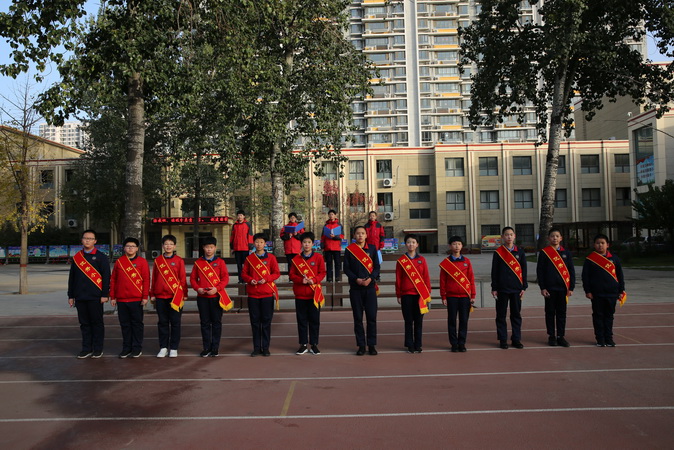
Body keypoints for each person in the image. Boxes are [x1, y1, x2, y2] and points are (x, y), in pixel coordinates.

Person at [68, 229, 111, 359]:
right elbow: (72, 278)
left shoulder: (101, 257)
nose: (87, 240)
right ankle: (86, 348)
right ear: (81, 240)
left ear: (95, 241)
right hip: (80, 297)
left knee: (97, 323)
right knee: (84, 324)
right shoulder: (77, 258)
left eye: (90, 238)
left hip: (96, 297)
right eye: (85, 238)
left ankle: (98, 349)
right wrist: (71, 295)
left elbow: (106, 277)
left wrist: (105, 294)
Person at [190, 236, 232, 357]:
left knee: (216, 322)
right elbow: (193, 278)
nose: (209, 249)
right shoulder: (198, 263)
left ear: (215, 248)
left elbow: (225, 278)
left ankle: (215, 347)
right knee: (204, 323)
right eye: (207, 247)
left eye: (211, 247)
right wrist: (198, 288)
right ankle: (206, 347)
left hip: (216, 296)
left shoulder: (220, 262)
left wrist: (216, 289)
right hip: (202, 297)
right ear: (203, 248)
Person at [582, 234, 626, 347]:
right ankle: (600, 338)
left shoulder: (614, 259)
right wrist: (588, 291)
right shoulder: (590, 259)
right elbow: (585, 277)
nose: (600, 245)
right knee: (598, 316)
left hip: (612, 293)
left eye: (602, 243)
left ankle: (609, 338)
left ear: (607, 245)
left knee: (609, 316)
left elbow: (620, 276)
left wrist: (621, 291)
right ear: (594, 245)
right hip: (597, 293)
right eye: (598, 243)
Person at [110, 237, 150, 358]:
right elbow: (113, 280)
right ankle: (126, 347)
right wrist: (113, 296)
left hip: (136, 299)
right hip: (121, 300)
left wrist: (145, 296)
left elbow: (146, 280)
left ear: (137, 248)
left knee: (137, 324)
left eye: (133, 246)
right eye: (128, 246)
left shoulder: (142, 262)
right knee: (125, 325)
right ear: (124, 248)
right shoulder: (119, 262)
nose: (130, 248)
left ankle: (137, 347)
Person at [343, 225, 380, 355]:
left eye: (362, 233)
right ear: (354, 236)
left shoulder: (372, 249)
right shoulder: (349, 250)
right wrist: (355, 279)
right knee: (358, 318)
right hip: (355, 288)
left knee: (371, 317)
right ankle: (361, 345)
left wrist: (371, 278)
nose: (360, 235)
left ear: (366, 235)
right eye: (358, 233)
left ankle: (372, 345)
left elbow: (376, 267)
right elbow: (346, 269)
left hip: (370, 288)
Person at [536, 228, 575, 347]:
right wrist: (542, 287)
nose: (555, 238)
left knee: (562, 313)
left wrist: (571, 287)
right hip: (549, 289)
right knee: (550, 312)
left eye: (557, 236)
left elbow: (571, 271)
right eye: (552, 236)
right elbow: (540, 271)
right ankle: (551, 336)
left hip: (563, 289)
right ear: (548, 238)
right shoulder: (544, 252)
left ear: (561, 238)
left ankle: (561, 336)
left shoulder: (566, 253)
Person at [242, 233, 280, 357]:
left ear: (265, 244)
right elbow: (244, 274)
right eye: (257, 242)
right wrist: (250, 280)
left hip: (267, 294)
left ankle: (266, 347)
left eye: (261, 242)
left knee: (266, 321)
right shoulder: (249, 259)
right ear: (254, 243)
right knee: (255, 322)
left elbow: (276, 273)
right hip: (253, 295)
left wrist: (267, 279)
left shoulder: (271, 258)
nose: (259, 244)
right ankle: (256, 347)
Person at [150, 234, 188, 358]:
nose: (168, 246)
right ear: (162, 246)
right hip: (161, 296)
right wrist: (152, 293)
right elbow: (154, 278)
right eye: (166, 244)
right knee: (162, 322)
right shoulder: (158, 261)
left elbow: (182, 279)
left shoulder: (179, 261)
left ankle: (174, 347)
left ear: (174, 246)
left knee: (175, 322)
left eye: (171, 244)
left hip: (175, 296)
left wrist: (184, 294)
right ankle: (163, 347)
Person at [491, 226, 528, 349]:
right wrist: (494, 287)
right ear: (502, 237)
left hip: (516, 289)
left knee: (516, 314)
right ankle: (502, 339)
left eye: (511, 234)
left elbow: (524, 270)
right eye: (506, 234)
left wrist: (524, 287)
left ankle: (516, 339)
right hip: (502, 289)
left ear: (514, 236)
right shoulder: (498, 253)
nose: (509, 237)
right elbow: (494, 271)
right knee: (501, 315)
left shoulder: (520, 252)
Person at [289, 232, 325, 355]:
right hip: (300, 294)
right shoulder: (296, 259)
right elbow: (292, 275)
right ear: (301, 244)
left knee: (315, 320)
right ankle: (303, 344)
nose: (306, 244)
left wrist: (314, 280)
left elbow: (322, 273)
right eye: (304, 242)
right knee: (301, 320)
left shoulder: (318, 258)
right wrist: (301, 280)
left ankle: (314, 344)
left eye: (309, 242)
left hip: (314, 294)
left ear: (313, 244)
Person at [395, 234, 431, 353]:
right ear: (406, 244)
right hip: (406, 295)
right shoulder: (401, 261)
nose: (411, 244)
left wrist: (427, 293)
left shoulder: (422, 260)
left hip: (420, 295)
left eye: (413, 242)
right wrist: (399, 294)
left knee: (419, 321)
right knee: (408, 320)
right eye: (409, 242)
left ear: (417, 245)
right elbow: (398, 279)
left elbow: (426, 277)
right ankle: (409, 344)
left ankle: (418, 344)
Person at [440, 236, 476, 352]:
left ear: (462, 246)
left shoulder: (467, 262)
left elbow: (471, 279)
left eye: (459, 244)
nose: (456, 246)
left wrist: (473, 295)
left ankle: (462, 343)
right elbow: (443, 281)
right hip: (451, 296)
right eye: (454, 244)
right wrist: (443, 296)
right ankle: (453, 344)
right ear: (450, 246)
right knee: (451, 321)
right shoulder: (446, 263)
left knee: (464, 320)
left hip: (465, 296)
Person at [230, 210, 253, 283]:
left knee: (245, 265)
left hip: (245, 248)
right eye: (238, 215)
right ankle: (240, 279)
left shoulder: (247, 224)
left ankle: (246, 279)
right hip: (237, 248)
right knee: (239, 265)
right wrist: (232, 247)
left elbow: (250, 236)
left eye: (241, 215)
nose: (239, 217)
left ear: (244, 216)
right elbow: (232, 237)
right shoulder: (235, 225)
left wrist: (250, 247)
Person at [321, 209, 344, 282]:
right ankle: (329, 278)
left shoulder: (339, 225)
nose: (331, 216)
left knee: (337, 263)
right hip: (327, 247)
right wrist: (322, 246)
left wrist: (334, 237)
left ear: (335, 215)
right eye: (330, 214)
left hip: (336, 247)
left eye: (332, 214)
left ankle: (337, 277)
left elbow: (342, 236)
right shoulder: (326, 225)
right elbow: (322, 237)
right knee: (328, 264)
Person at [364, 210, 386, 281]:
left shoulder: (379, 225)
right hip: (368, 247)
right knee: (369, 262)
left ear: (376, 217)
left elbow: (382, 236)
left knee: (377, 262)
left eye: (373, 216)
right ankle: (369, 276)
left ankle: (377, 276)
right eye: (370, 216)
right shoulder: (366, 226)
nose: (372, 217)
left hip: (377, 247)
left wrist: (381, 245)